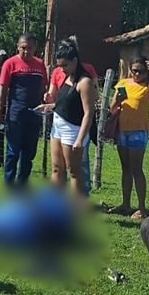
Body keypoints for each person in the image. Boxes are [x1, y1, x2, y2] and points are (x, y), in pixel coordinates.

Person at [105, 55, 149, 220]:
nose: (137, 74)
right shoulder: (123, 83)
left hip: (138, 132)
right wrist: (117, 100)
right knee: (125, 168)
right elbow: (113, 108)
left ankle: (142, 208)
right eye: (134, 71)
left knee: (136, 168)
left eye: (141, 71)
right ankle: (125, 204)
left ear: (146, 71)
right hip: (122, 131)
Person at [35, 38, 96, 198]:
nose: (62, 69)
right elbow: (65, 103)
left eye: (65, 65)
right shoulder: (67, 78)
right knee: (57, 168)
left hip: (73, 130)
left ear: (75, 61)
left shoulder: (84, 82)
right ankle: (54, 203)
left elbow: (88, 112)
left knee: (74, 170)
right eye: (60, 66)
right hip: (58, 128)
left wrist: (80, 139)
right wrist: (48, 106)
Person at [0, 33, 47, 188]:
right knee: (13, 152)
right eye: (23, 48)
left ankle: (22, 185)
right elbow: (2, 92)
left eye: (29, 48)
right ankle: (9, 186)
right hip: (15, 115)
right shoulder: (10, 64)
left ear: (35, 48)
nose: (26, 51)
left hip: (34, 115)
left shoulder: (40, 64)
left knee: (29, 153)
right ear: (18, 47)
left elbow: (43, 88)